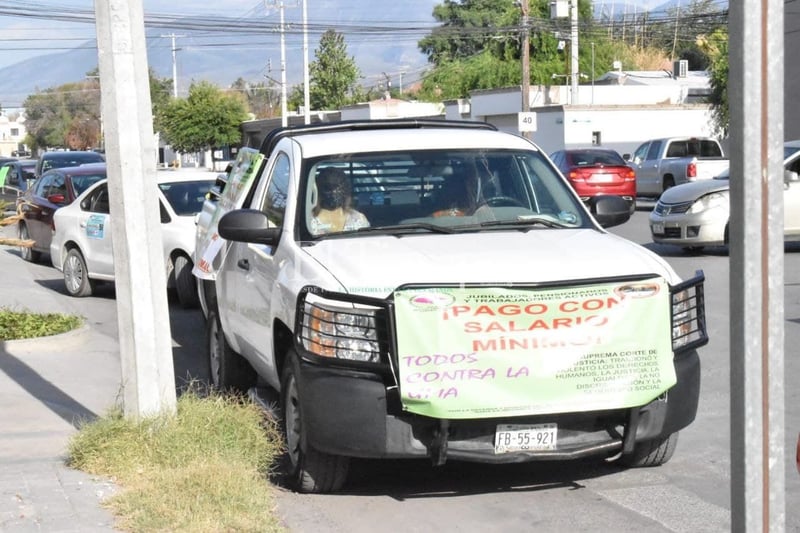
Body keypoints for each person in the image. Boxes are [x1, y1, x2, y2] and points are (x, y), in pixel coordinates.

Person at [309, 167, 370, 235]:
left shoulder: (358, 220)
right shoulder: (310, 221)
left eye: (338, 188)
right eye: (328, 188)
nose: (333, 192)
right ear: (319, 190)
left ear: (345, 190)